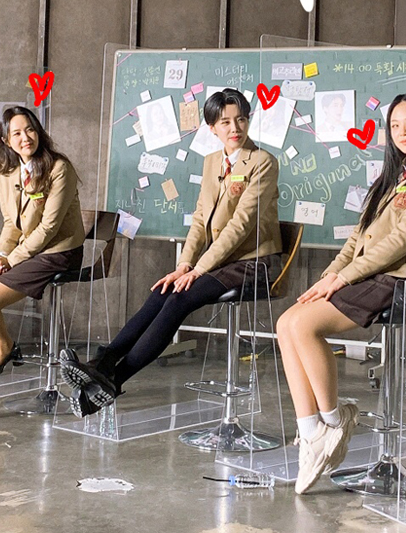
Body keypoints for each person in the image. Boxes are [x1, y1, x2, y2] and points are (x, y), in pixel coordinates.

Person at [60, 88, 282, 417]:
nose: (235, 128)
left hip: (253, 263)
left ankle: (113, 381)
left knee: (180, 298)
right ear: (212, 128)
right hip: (220, 261)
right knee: (163, 290)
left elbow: (241, 225)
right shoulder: (212, 161)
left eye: (241, 119)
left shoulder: (263, 162)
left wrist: (199, 270)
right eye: (225, 122)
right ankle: (102, 364)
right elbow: (200, 220)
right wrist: (184, 265)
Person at [276, 92, 406, 494]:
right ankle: (312, 432)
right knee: (287, 322)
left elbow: (401, 241)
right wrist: (328, 276)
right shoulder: (392, 178)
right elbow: (356, 240)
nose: (403, 132)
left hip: (405, 282)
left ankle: (336, 421)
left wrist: (343, 280)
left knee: (304, 327)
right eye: (395, 125)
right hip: (374, 277)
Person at [0, 106, 86, 421]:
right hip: (23, 249)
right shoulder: (5, 172)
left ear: (39, 132)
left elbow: (49, 228)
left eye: (30, 129)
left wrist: (11, 260)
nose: (26, 138)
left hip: (58, 251)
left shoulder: (59, 168)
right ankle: (5, 345)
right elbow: (12, 223)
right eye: (17, 133)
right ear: (6, 140)